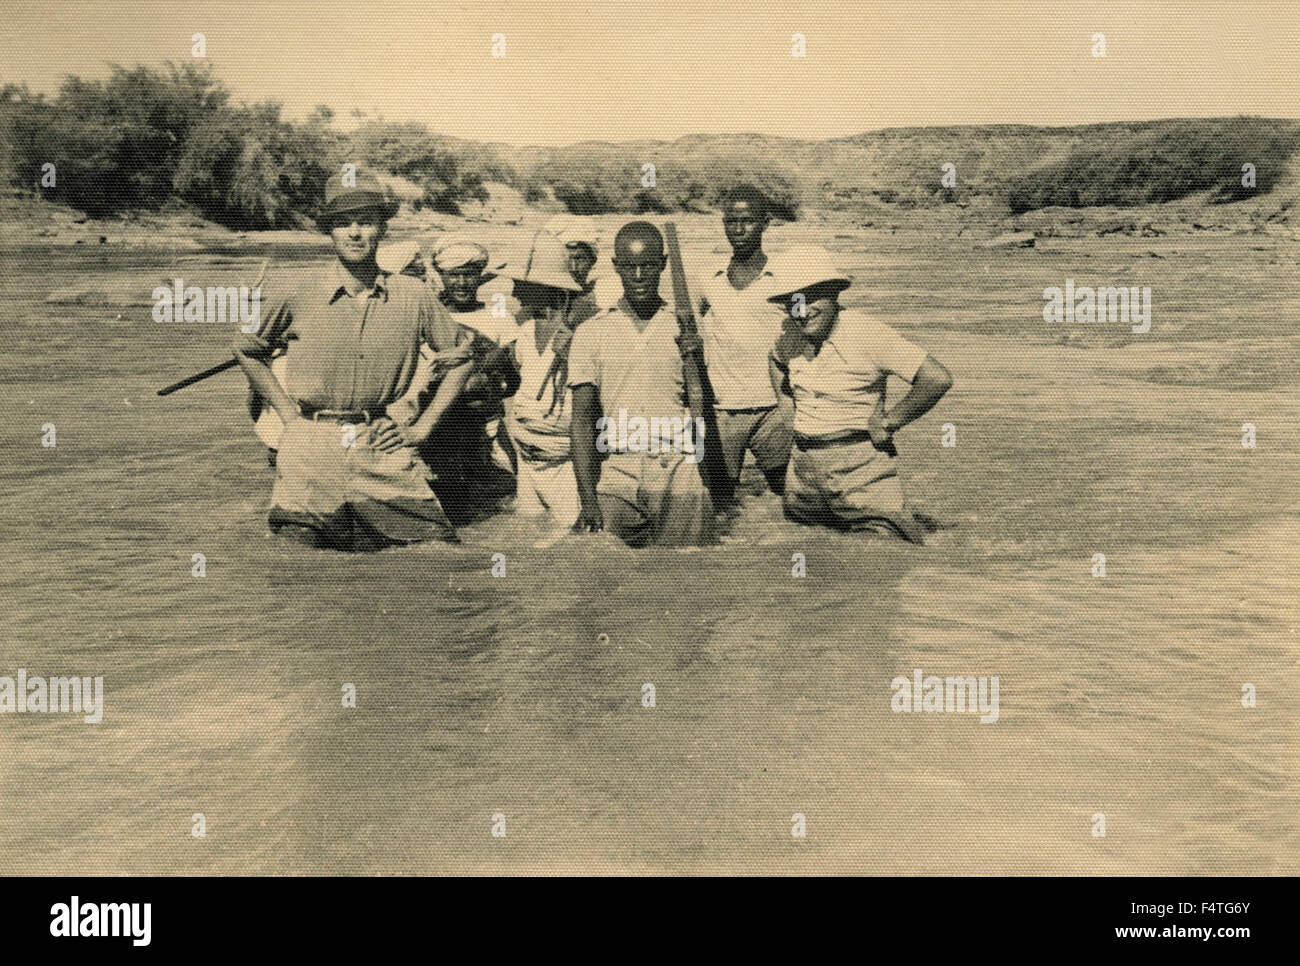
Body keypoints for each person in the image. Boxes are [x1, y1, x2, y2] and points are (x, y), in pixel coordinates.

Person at [231, 168, 474, 550]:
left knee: (437, 553)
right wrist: (289, 417)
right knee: (295, 565)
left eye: (366, 221)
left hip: (380, 445)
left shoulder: (413, 295)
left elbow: (461, 359)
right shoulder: (297, 292)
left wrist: (420, 429)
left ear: (383, 228)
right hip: (309, 449)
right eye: (344, 223)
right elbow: (247, 348)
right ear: (329, 230)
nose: (356, 232)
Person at [767, 246, 952, 543]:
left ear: (835, 292)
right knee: (807, 562)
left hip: (862, 474)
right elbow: (775, 360)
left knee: (878, 563)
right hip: (802, 478)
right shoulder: (790, 334)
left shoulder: (868, 333)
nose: (803, 310)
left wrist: (890, 422)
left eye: (813, 296)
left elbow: (936, 378)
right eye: (793, 302)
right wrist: (789, 413)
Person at [568, 221, 714, 547]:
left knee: (691, 574)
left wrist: (698, 359)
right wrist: (587, 496)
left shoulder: (687, 326)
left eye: (647, 266)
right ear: (615, 267)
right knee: (593, 559)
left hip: (678, 467)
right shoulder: (592, 331)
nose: (638, 276)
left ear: (663, 264)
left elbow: (703, 405)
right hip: (619, 469)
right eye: (629, 267)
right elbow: (581, 420)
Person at [695, 185, 793, 505]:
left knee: (791, 498)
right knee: (719, 504)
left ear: (765, 223)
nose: (738, 229)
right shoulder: (707, 278)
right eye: (731, 221)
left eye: (747, 221)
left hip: (775, 409)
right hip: (722, 410)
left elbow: (814, 332)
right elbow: (685, 329)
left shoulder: (785, 278)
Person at [498, 230, 598, 526]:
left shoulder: (586, 331)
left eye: (521, 284)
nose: (514, 292)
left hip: (566, 468)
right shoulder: (526, 331)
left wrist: (574, 356)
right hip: (528, 465)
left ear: (545, 286)